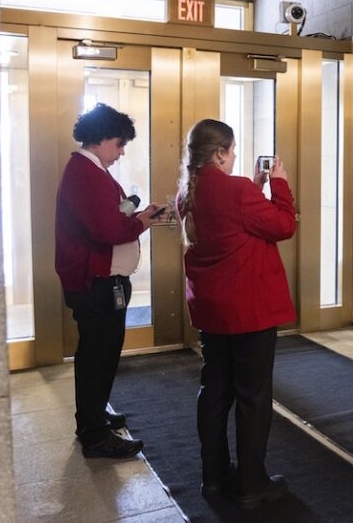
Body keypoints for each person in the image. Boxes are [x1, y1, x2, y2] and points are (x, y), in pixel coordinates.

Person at [176, 119, 297, 509]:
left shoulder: (187, 194)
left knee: (215, 391)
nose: (234, 158)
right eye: (232, 151)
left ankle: (213, 478)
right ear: (221, 152)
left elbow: (234, 223)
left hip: (213, 312)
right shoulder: (237, 190)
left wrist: (256, 185)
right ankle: (251, 483)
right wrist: (278, 183)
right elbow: (281, 225)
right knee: (252, 396)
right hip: (250, 311)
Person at [55, 103, 164, 458]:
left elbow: (112, 217)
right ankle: (94, 433)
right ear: (101, 139)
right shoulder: (85, 173)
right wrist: (142, 222)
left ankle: (95, 412)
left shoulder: (90, 170)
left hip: (103, 279)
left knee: (100, 353)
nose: (120, 153)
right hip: (95, 281)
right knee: (97, 356)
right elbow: (107, 228)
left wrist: (137, 214)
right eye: (119, 144)